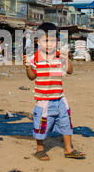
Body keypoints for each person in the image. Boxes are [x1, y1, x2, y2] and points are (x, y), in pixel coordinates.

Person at [23, 22, 85, 161]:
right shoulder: (35, 58)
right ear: (38, 41)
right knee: (41, 124)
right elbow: (32, 77)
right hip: (44, 99)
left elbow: (69, 71)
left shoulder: (59, 56)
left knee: (65, 122)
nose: (49, 44)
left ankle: (68, 149)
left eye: (52, 40)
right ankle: (40, 149)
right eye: (45, 40)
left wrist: (66, 57)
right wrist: (27, 67)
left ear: (57, 41)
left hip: (60, 97)